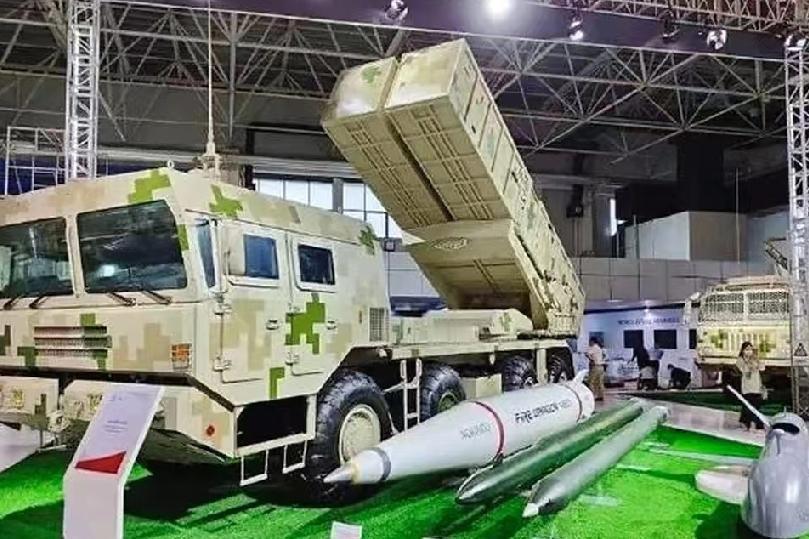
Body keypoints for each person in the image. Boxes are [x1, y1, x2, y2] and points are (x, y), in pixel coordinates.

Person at [735, 341, 765, 431]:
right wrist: (750, 363)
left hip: (756, 386)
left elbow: (762, 368)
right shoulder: (740, 360)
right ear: (743, 350)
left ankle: (754, 424)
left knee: (756, 406)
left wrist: (758, 360)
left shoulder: (755, 359)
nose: (749, 352)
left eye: (751, 350)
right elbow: (745, 370)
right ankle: (747, 423)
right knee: (747, 406)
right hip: (747, 387)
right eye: (747, 349)